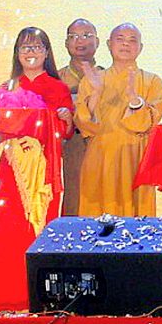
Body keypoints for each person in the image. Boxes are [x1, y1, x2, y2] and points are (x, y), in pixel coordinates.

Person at [0, 27, 74, 310]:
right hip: (10, 169)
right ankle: (7, 297)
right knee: (6, 231)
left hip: (42, 170)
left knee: (40, 228)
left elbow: (66, 132)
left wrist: (66, 119)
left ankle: (39, 298)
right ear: (17, 53)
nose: (31, 52)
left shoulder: (58, 88)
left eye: (37, 47)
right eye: (25, 47)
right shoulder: (5, 89)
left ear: (47, 53)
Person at [75, 22, 162, 217]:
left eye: (132, 40)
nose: (126, 44)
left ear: (140, 48)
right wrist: (96, 93)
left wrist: (134, 100)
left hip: (136, 160)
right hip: (100, 159)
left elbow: (147, 123)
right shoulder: (92, 79)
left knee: (136, 223)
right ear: (109, 44)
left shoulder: (153, 81)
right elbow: (84, 124)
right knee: (96, 222)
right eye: (120, 39)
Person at [57, 18, 103, 218]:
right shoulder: (56, 78)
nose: (80, 41)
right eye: (74, 36)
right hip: (69, 147)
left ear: (97, 42)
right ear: (66, 43)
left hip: (100, 146)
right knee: (72, 200)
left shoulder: (106, 76)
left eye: (86, 35)